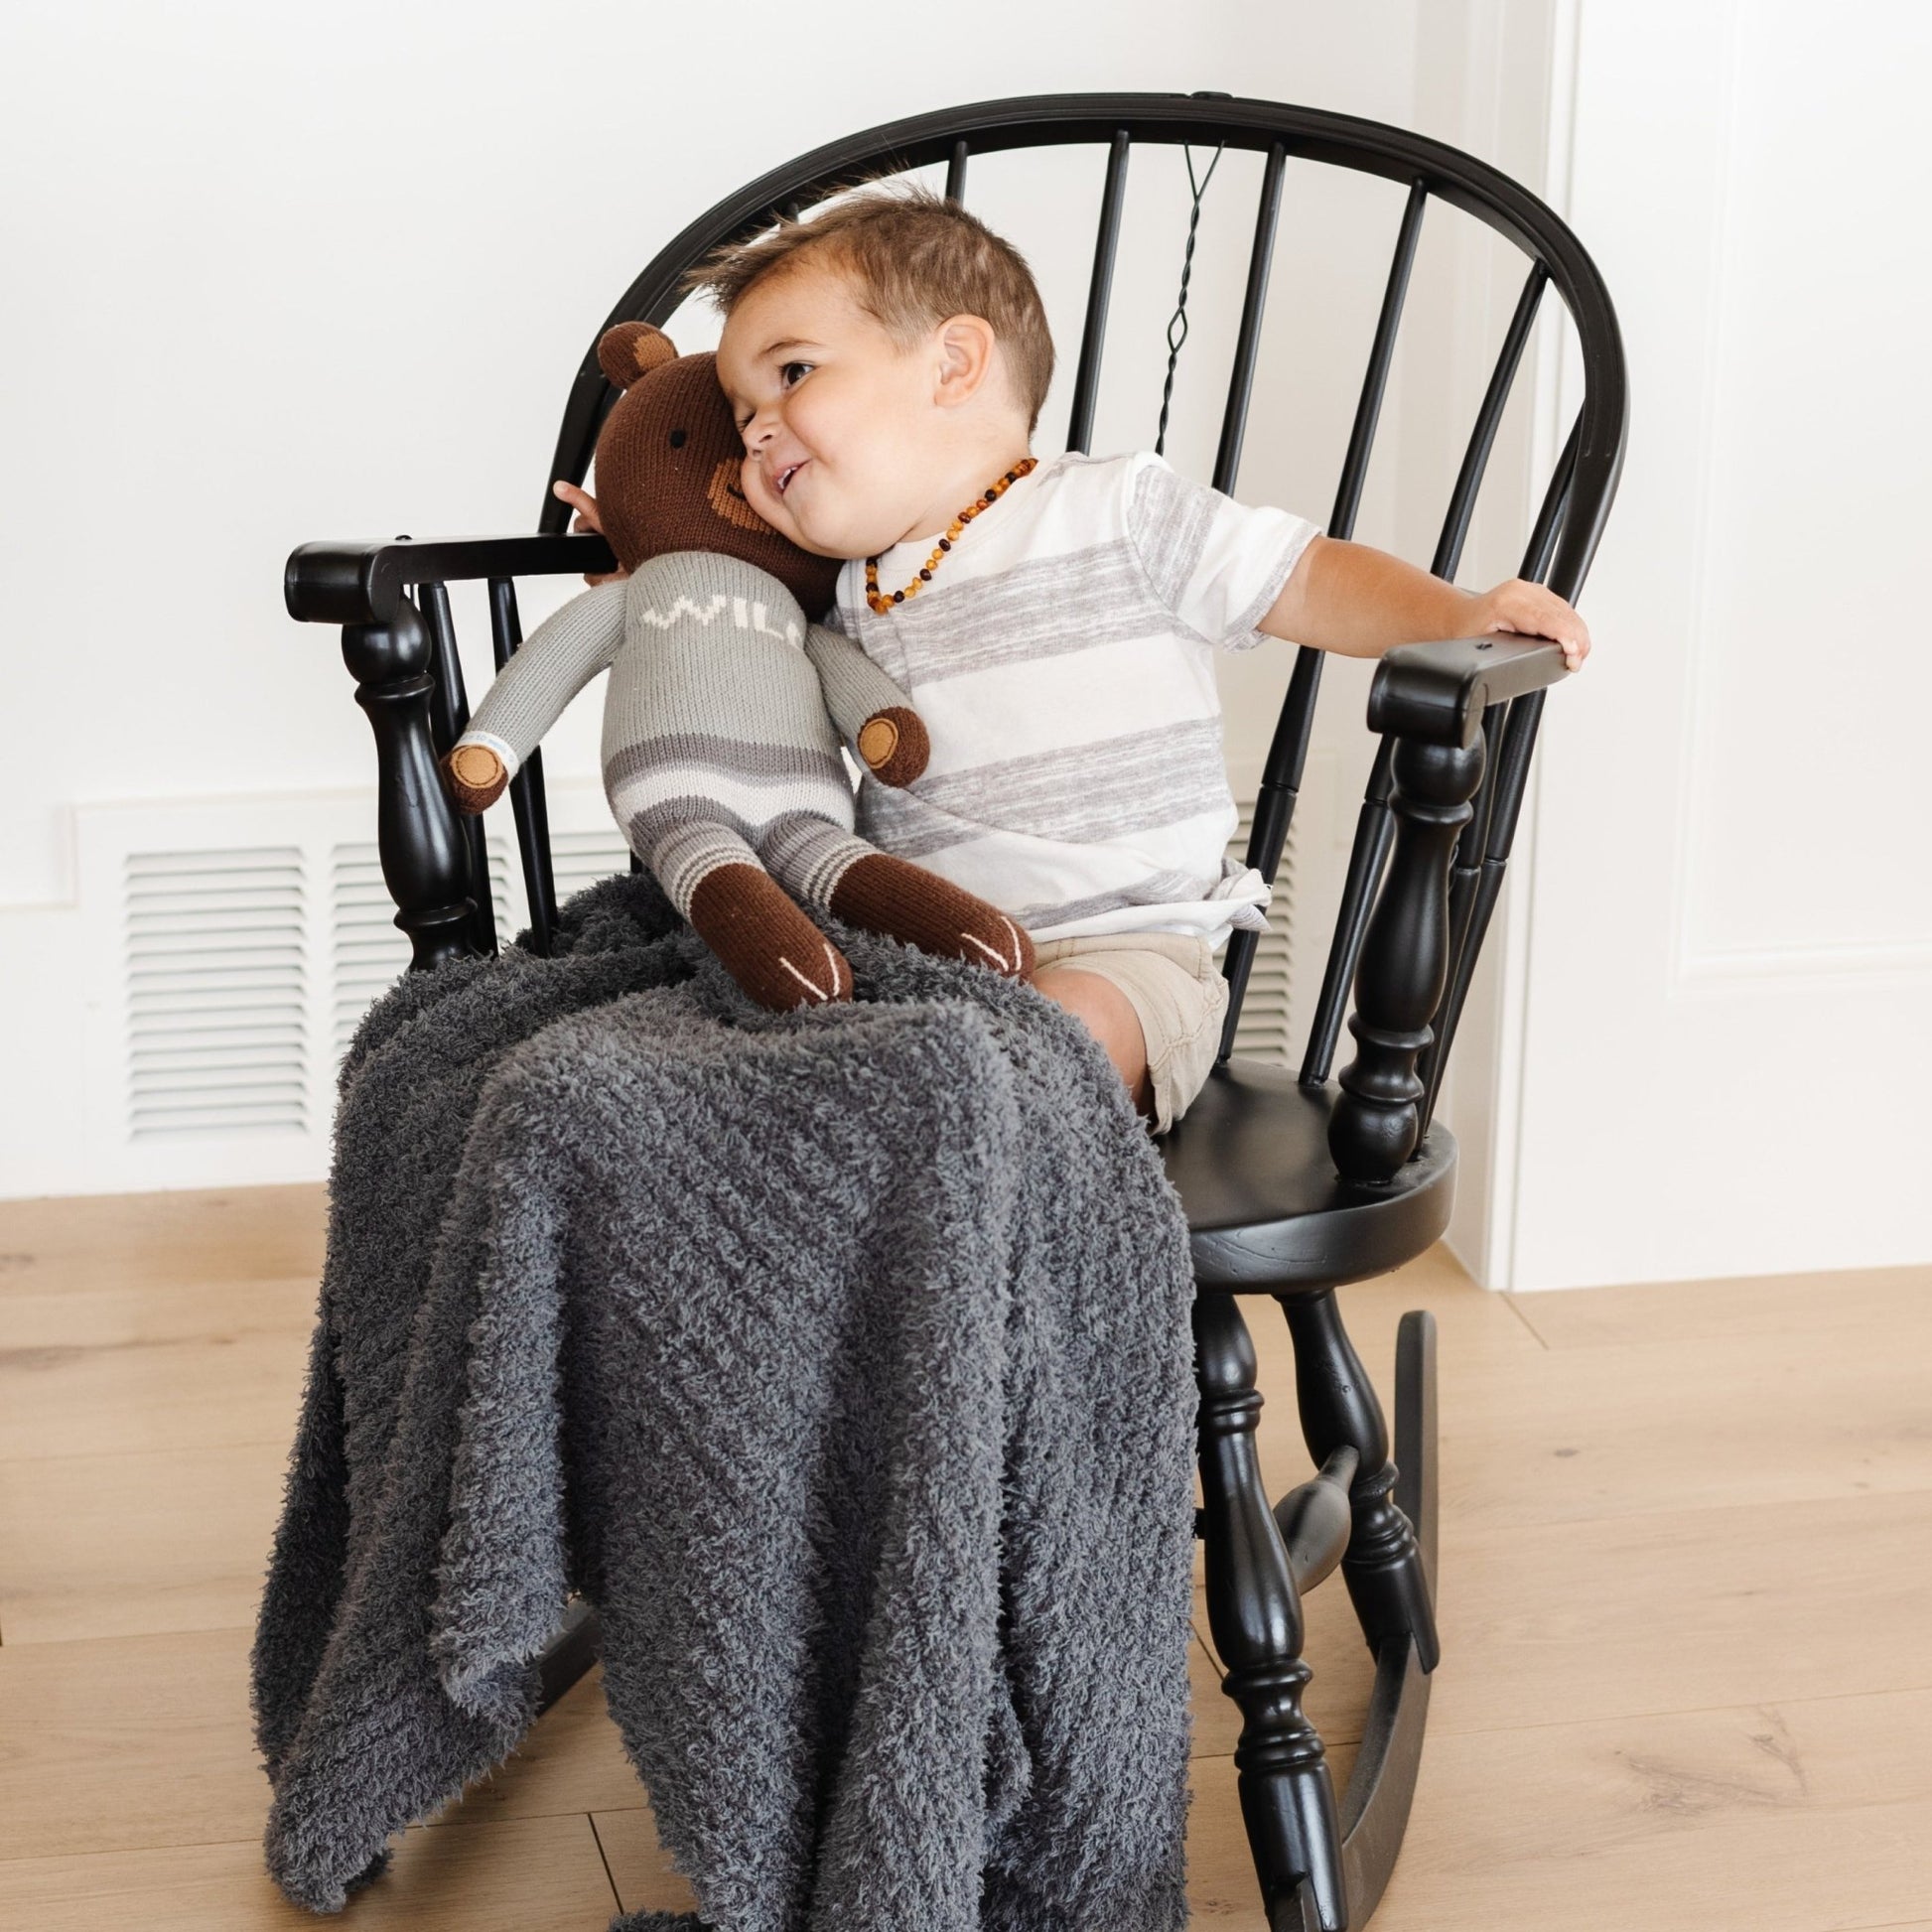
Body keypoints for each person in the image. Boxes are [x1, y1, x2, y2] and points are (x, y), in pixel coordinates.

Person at [556, 181, 1590, 1136]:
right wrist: (659, 550)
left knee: (1060, 1029)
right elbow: (724, 652)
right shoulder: (835, 589)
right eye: (738, 417)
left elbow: (1307, 578)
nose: (757, 434)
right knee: (796, 1061)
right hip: (920, 960)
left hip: (1126, 954)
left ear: (954, 365)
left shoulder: (1116, 510)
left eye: (791, 374)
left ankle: (980, 1193)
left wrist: (1456, 608)